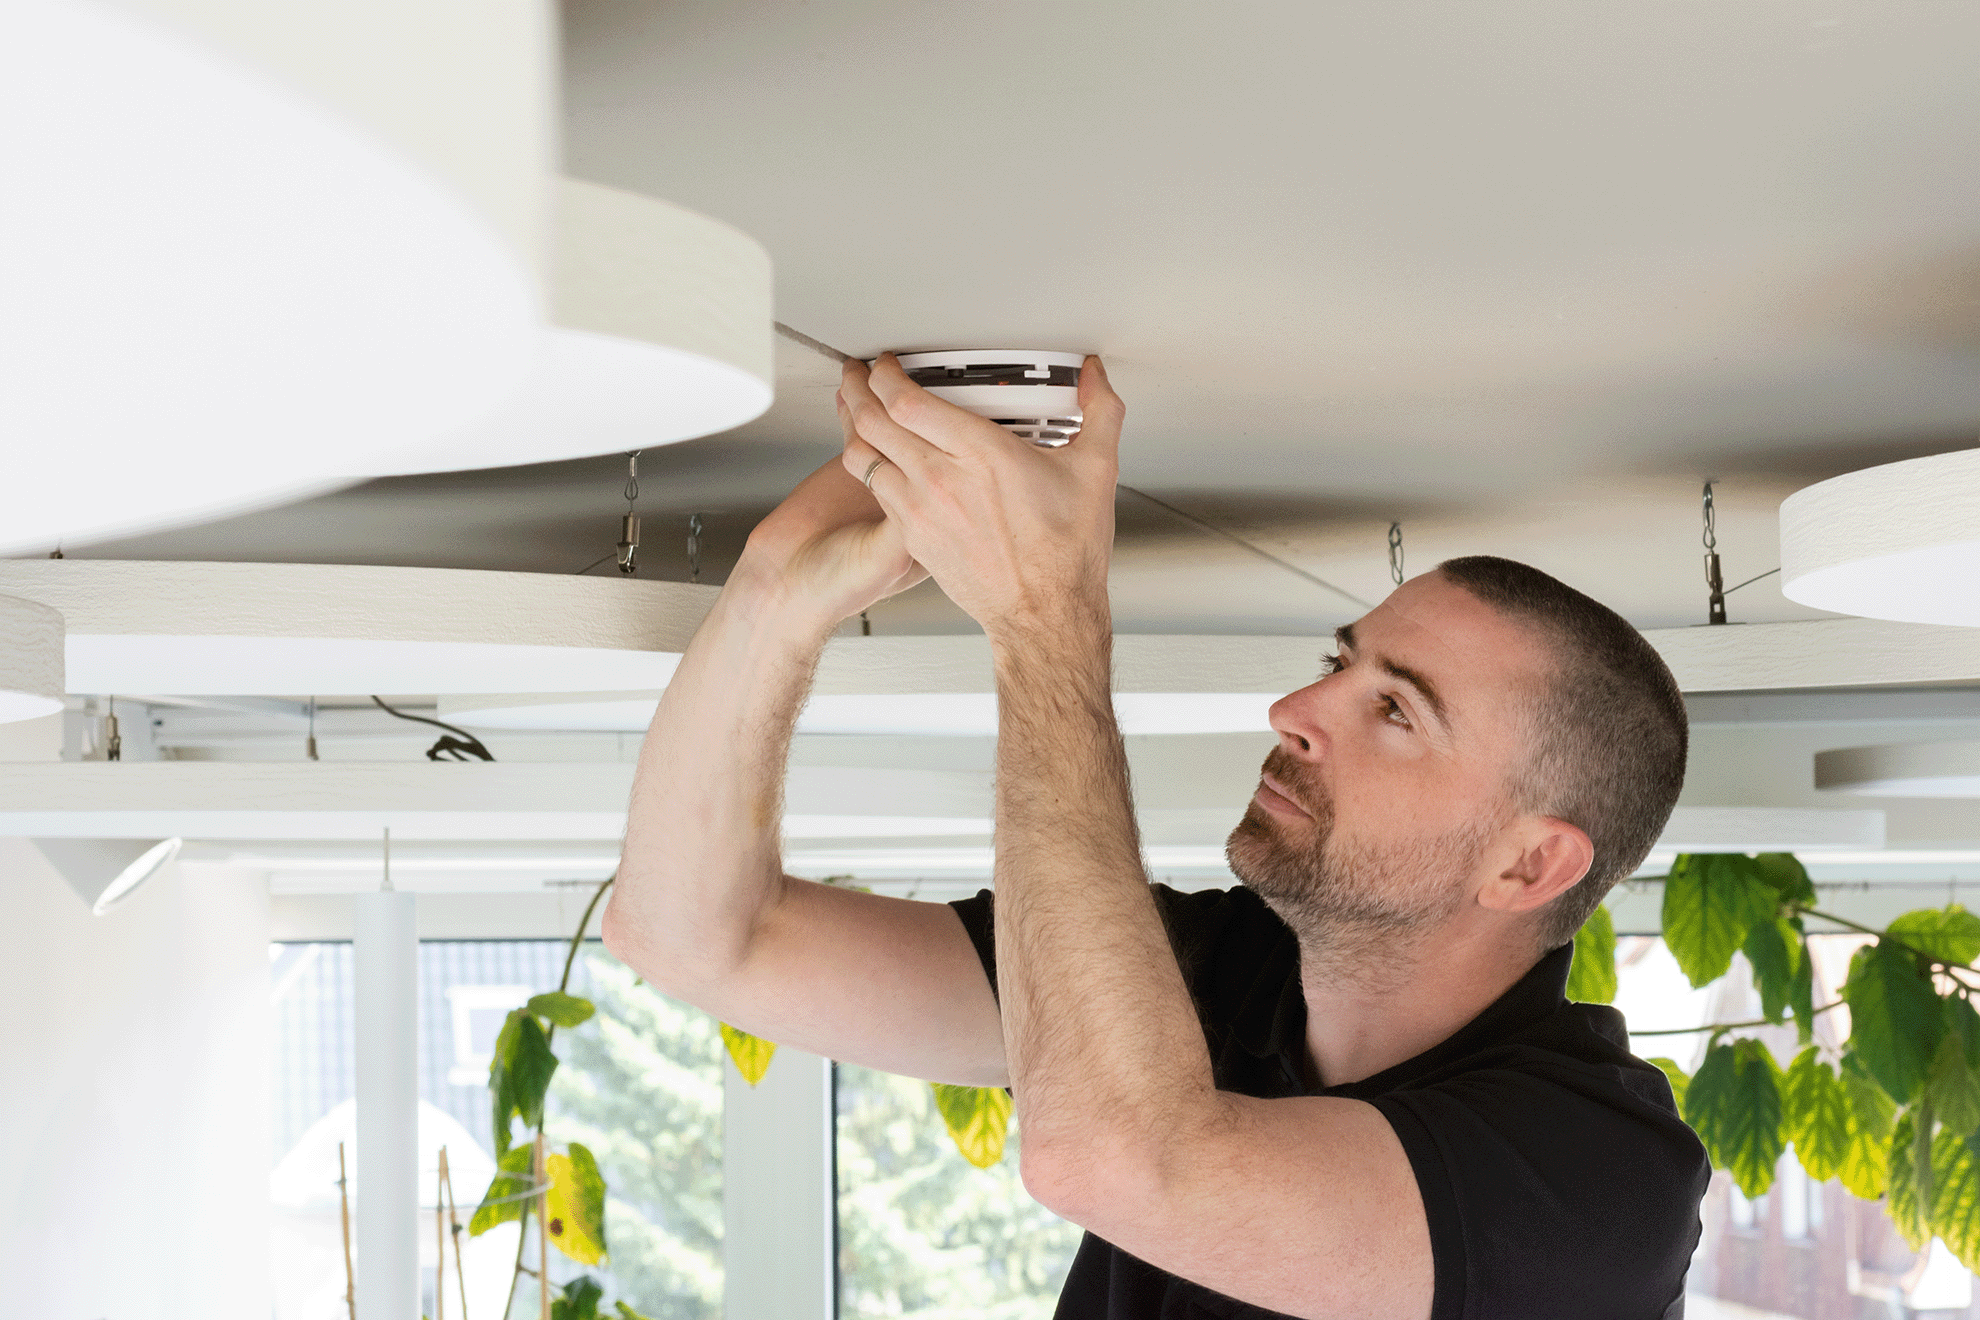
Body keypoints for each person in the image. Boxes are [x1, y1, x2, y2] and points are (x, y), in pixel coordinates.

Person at [603, 354, 1712, 1320]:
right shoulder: (1215, 975)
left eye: (1394, 711)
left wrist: (1047, 617)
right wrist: (777, 593)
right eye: (1342, 665)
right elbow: (697, 935)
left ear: (1529, 864)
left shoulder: (1593, 1176)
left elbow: (1117, 1159)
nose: (1297, 710)